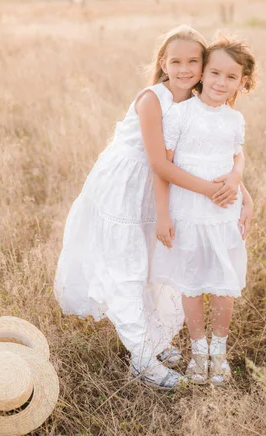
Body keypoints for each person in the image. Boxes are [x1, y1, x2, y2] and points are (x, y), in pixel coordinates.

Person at [54, 25, 254, 390]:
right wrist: (213, 191)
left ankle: (156, 340)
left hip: (165, 188)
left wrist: (240, 189)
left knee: (152, 264)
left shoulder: (198, 102)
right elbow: (160, 164)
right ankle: (143, 359)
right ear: (162, 62)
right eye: (175, 61)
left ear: (204, 65)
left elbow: (218, 151)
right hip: (127, 184)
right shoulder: (152, 99)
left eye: (193, 61)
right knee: (128, 266)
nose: (184, 68)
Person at [151, 33, 256, 386]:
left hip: (224, 212)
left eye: (230, 77)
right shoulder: (180, 115)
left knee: (225, 282)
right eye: (214, 73)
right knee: (193, 282)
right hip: (188, 212)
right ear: (203, 73)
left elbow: (234, 156)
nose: (220, 83)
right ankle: (198, 353)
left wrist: (243, 188)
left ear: (242, 82)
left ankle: (219, 351)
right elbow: (163, 168)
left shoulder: (234, 120)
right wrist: (163, 215)